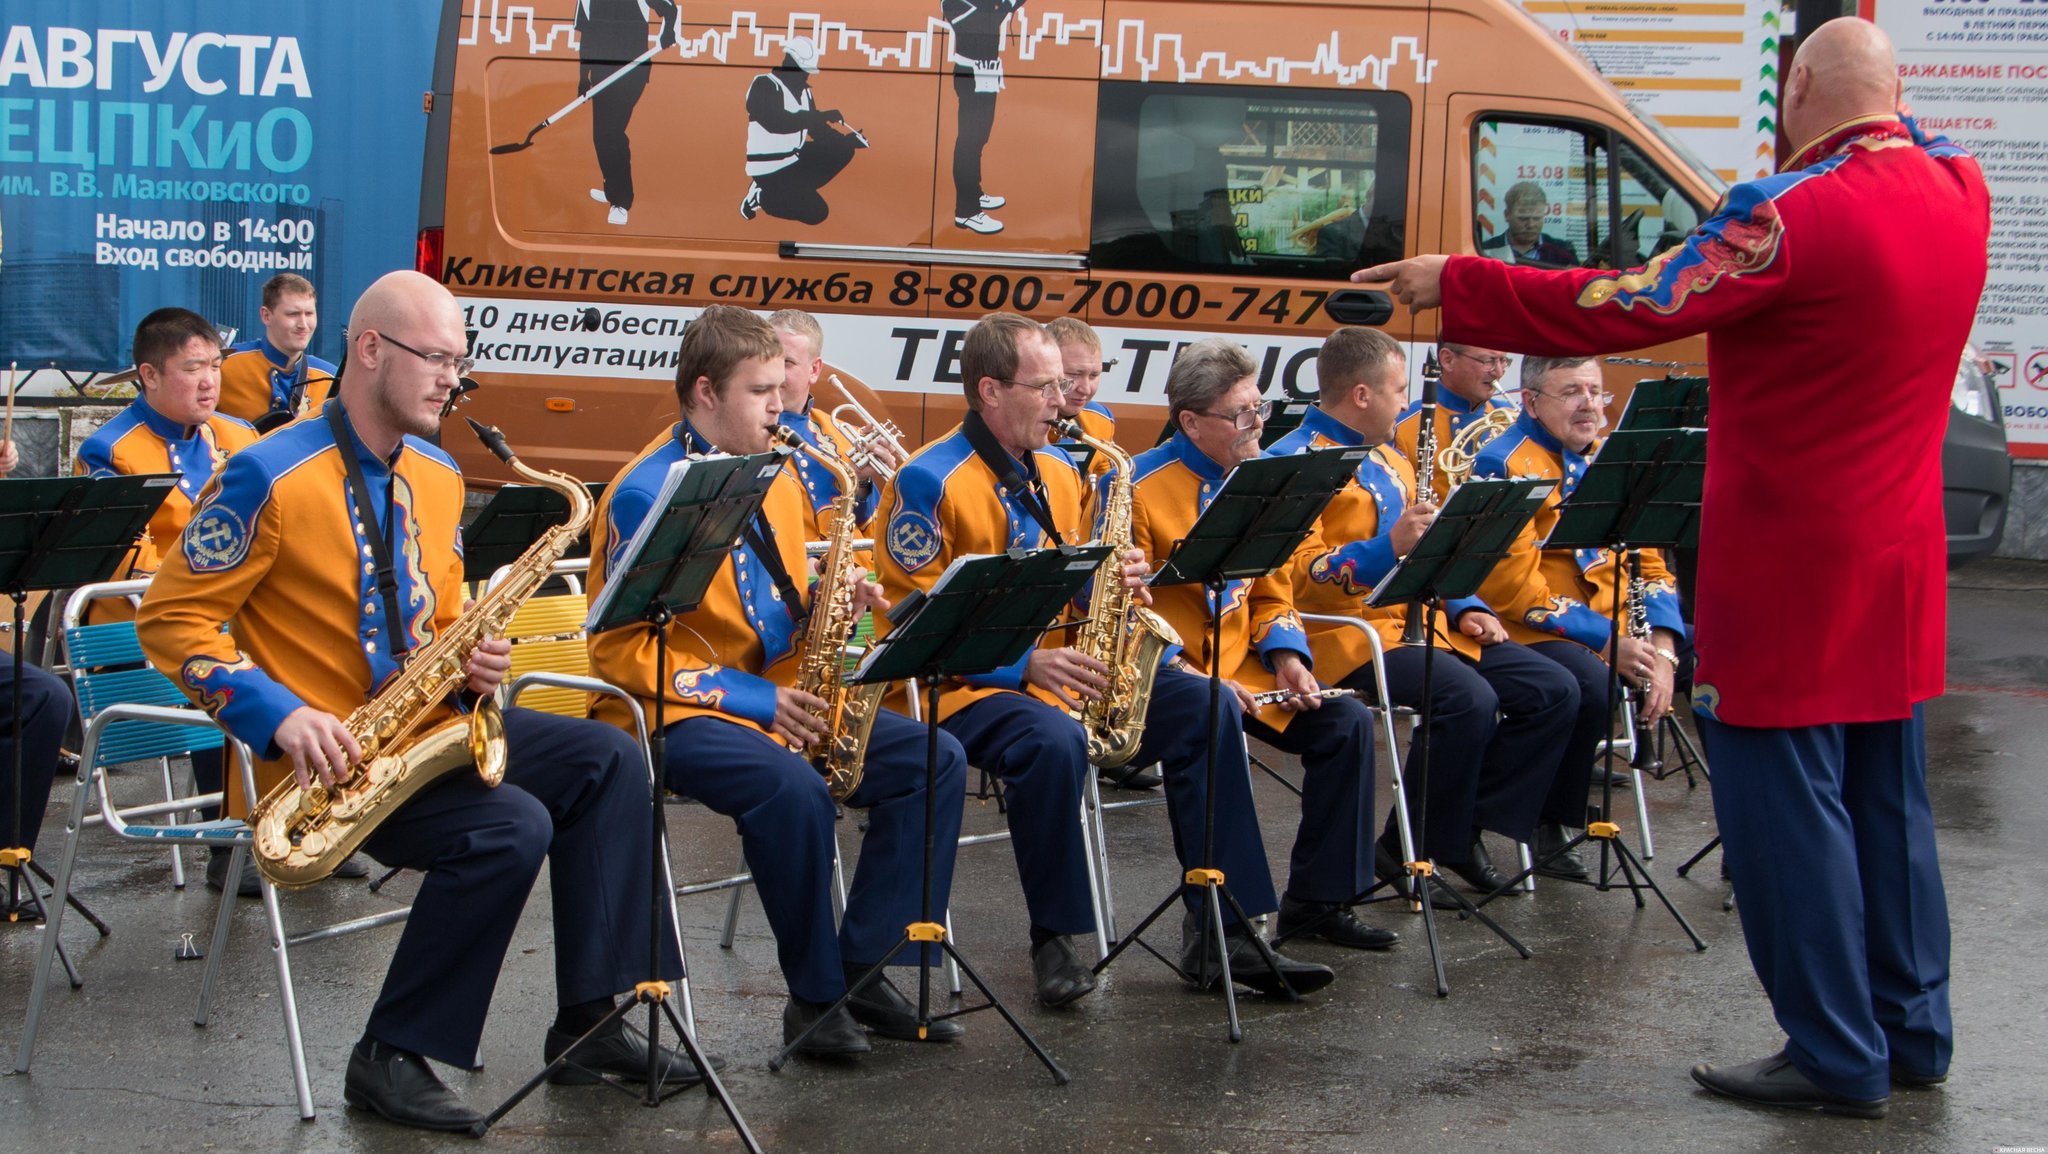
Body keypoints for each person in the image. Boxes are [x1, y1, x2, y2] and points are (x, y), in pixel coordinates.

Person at [1355, 17, 1988, 1117]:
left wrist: (1458, 278)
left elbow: (1630, 299)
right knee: (1887, 801)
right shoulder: (1956, 184)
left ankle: (1834, 1049)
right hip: (1897, 553)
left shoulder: (1788, 216)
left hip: (1792, 559)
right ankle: (1909, 1026)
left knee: (1785, 812)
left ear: (1792, 92)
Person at [136, 270, 694, 1133]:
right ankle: (392, 1054)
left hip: (428, 731)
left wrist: (475, 654)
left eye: (458, 364)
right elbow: (172, 622)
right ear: (369, 349)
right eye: (436, 359)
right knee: (510, 825)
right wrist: (277, 711)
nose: (451, 381)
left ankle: (592, 1022)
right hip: (325, 768)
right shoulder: (267, 475)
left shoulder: (436, 474)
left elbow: (430, 611)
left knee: (612, 755)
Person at [877, 314, 1337, 1002]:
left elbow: (1071, 586)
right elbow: (907, 620)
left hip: (1065, 672)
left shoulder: (1068, 473)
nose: (1065, 402)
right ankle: (1058, 941)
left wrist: (1112, 582)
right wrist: (1023, 665)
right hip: (962, 687)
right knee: (1052, 739)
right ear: (990, 392)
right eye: (1046, 387)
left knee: (1204, 704)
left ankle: (1226, 932)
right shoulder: (929, 480)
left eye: (1066, 385)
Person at [588, 305, 969, 1056]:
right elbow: (621, 649)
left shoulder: (781, 473)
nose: (781, 405)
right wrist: (764, 704)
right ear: (704, 393)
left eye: (781, 387)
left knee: (934, 760)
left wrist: (846, 611)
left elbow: (794, 610)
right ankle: (816, 998)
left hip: (776, 696)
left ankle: (871, 964)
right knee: (790, 791)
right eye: (762, 391)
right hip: (669, 712)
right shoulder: (648, 491)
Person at [1273, 328, 1579, 904]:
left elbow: (1429, 549)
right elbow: (1297, 577)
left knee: (1551, 688)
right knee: (1468, 699)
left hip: (1419, 623)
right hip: (1343, 636)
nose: (1407, 401)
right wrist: (1388, 546)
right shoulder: (1295, 461)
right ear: (1362, 395)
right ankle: (1420, 849)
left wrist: (1464, 602)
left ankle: (1455, 831)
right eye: (1397, 389)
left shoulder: (1391, 456)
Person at [1125, 338, 1395, 957]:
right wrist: (1190, 673)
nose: (1257, 426)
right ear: (1190, 421)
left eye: (1260, 409)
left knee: (1346, 722)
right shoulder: (1138, 487)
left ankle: (1321, 902)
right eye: (1240, 415)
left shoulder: (1265, 479)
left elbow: (1274, 591)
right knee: (1212, 715)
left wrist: (1290, 657)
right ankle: (1227, 929)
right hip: (1170, 671)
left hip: (1246, 663)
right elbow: (1127, 616)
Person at [76, 308, 326, 897]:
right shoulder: (111, 450)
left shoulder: (239, 436)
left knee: (312, 656)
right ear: (149, 375)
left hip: (229, 620)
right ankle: (231, 846)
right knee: (225, 677)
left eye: (215, 365)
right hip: (144, 635)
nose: (210, 381)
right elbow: (118, 564)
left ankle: (314, 820)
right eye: (192, 369)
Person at [768, 309, 893, 541]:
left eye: (787, 362)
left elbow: (869, 530)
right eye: (768, 359)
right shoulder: (744, 436)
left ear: (814, 370)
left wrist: (862, 481)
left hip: (853, 569)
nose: (774, 373)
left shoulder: (846, 436)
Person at [578, 0, 680, 227]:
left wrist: (668, 31)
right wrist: (583, 77)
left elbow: (670, 8)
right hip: (601, 76)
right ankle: (612, 187)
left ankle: (621, 202)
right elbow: (586, 35)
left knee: (611, 134)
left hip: (632, 72)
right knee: (600, 136)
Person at [739, 38, 863, 226]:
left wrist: (847, 140)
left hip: (794, 159)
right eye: (802, 70)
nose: (805, 76)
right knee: (817, 212)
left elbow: (817, 129)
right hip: (769, 168)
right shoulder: (765, 84)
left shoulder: (805, 92)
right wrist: (821, 116)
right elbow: (776, 122)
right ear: (789, 62)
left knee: (843, 149)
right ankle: (761, 196)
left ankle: (789, 192)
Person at [1391, 341, 1516, 503]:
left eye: (1503, 361)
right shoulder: (1400, 425)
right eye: (1488, 361)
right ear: (1448, 360)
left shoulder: (1512, 418)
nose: (1498, 372)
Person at [218, 273, 338, 430]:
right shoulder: (224, 365)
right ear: (266, 316)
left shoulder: (331, 377)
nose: (303, 324)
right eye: (293, 314)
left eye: (309, 314)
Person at [943, 0, 1022, 234]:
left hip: (988, 71)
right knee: (969, 142)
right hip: (971, 73)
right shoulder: (954, 3)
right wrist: (1001, 6)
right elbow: (982, 20)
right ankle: (966, 211)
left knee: (979, 139)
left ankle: (974, 193)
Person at [1478, 182, 1578, 267]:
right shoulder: (1484, 251)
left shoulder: (1563, 253)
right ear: (1507, 215)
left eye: (1537, 218)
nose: (1531, 224)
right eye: (1523, 218)